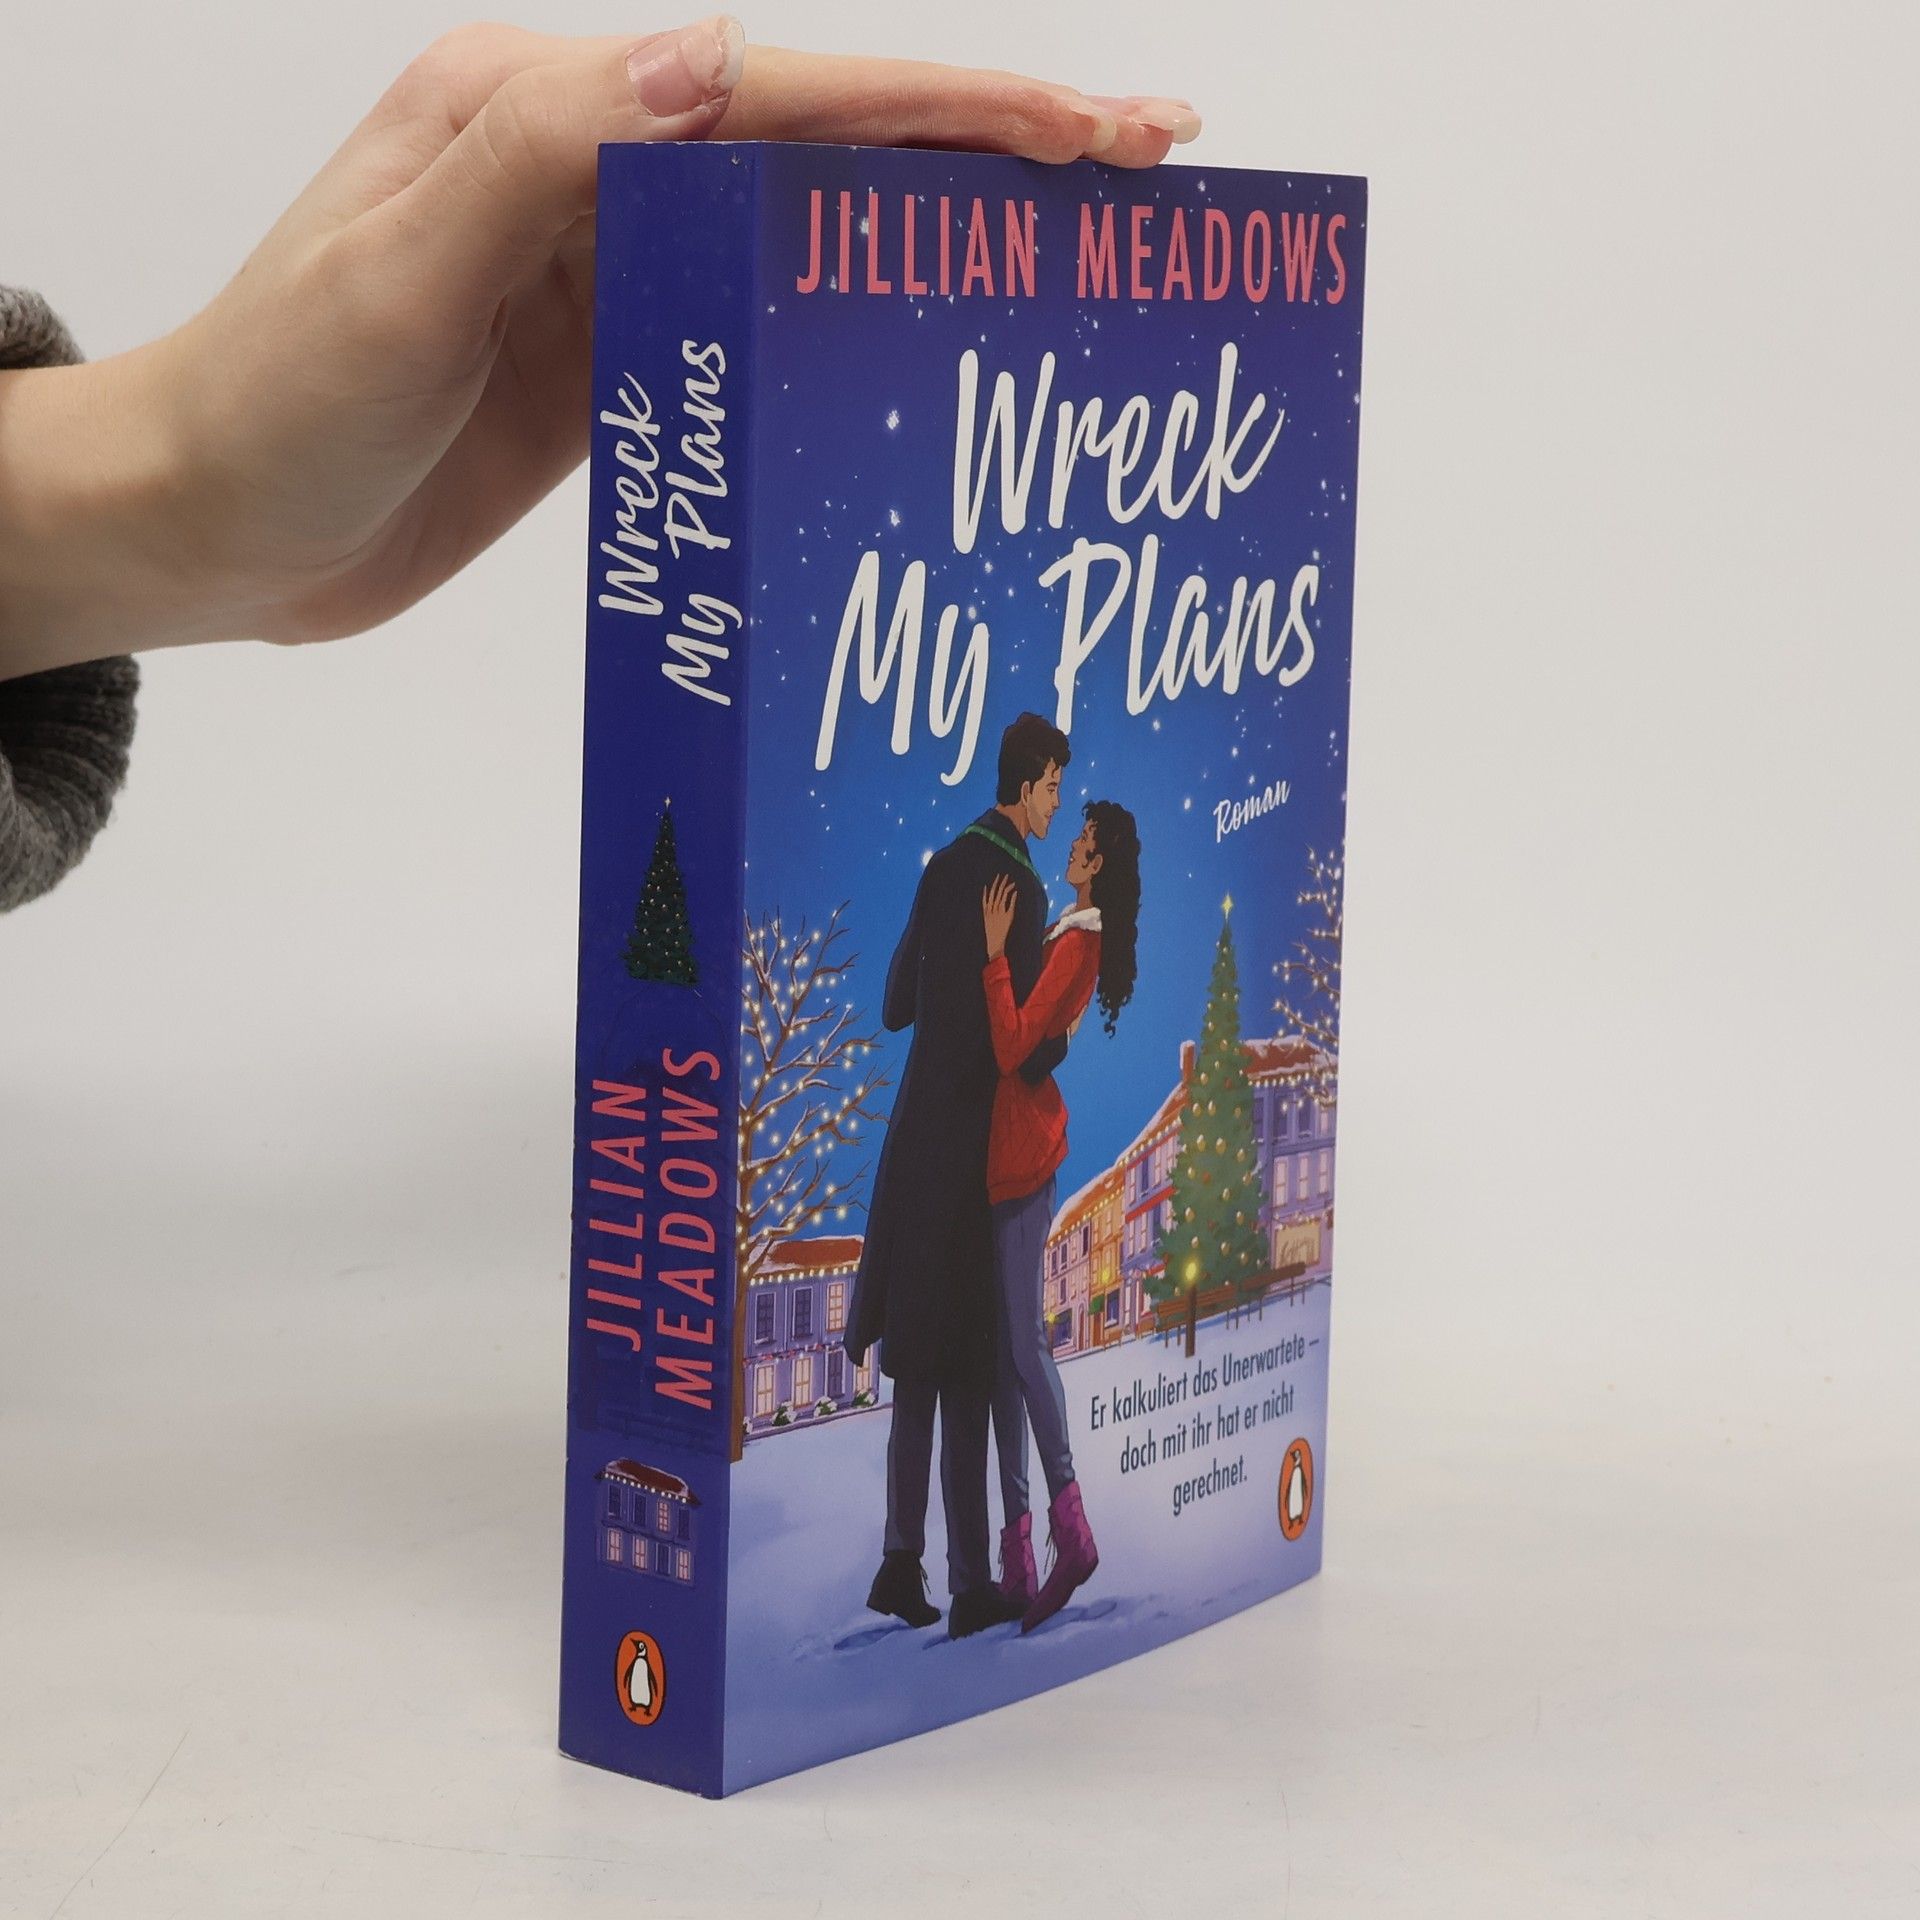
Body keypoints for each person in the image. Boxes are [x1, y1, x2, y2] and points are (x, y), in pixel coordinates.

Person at [0, 20, 1199, 910]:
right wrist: (178, 480)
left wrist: (180, 499)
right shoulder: (985, 880)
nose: (1066, 812)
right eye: (1060, 792)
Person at [843, 714, 1072, 1636]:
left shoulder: (941, 866)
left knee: (916, 1357)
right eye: (1053, 787)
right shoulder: (1021, 886)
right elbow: (1025, 1046)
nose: (1058, 803)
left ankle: (901, 1562)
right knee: (972, 1367)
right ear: (1024, 785)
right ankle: (971, 1582)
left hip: (916, 1145)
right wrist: (1055, 1029)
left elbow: (895, 1004)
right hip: (978, 1149)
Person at [979, 800, 1141, 1631]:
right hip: (1006, 1157)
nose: (1073, 844)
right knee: (1005, 1355)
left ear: (1100, 863)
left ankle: (1070, 1531)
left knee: (1025, 1346)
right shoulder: (1069, 935)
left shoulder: (1078, 942)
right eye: (1076, 835)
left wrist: (992, 959)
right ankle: (1018, 1555)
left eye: (1085, 841)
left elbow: (1014, 1046)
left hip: (1025, 1156)